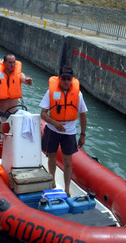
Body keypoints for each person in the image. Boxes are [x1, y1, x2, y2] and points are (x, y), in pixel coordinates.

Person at [40, 66, 87, 197]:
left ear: (72, 80)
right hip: (52, 129)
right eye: (64, 78)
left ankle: (67, 188)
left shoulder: (78, 94)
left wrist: (82, 135)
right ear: (59, 79)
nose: (66, 81)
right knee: (52, 157)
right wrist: (55, 123)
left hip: (69, 132)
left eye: (68, 79)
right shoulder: (51, 91)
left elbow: (83, 115)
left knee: (68, 162)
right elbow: (43, 114)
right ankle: (53, 180)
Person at [0, 54, 33, 152]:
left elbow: (24, 79)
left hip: (13, 112)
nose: (12, 64)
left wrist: (28, 80)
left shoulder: (19, 74)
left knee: (15, 135)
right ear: (4, 63)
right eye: (10, 62)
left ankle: (15, 155)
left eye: (14, 62)